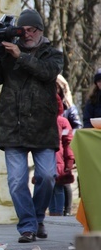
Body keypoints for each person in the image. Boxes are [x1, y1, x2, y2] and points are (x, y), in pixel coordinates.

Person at [0, 8, 63, 243]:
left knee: (47, 176)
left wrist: (20, 56)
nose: (26, 34)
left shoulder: (52, 54)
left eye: (31, 30)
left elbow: (48, 73)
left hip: (43, 127)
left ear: (40, 31)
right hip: (12, 127)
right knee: (17, 181)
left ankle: (37, 217)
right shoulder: (7, 52)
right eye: (23, 30)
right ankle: (27, 226)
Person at [56, 74, 81, 216]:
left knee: (64, 181)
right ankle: (57, 211)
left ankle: (66, 210)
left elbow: (77, 125)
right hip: (56, 146)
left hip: (67, 143)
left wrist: (68, 133)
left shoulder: (70, 109)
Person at [48, 95, 75, 216]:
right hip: (48, 158)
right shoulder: (44, 122)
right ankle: (53, 212)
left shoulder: (62, 122)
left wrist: (69, 160)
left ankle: (58, 212)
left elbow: (68, 142)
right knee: (49, 188)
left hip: (59, 160)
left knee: (58, 187)